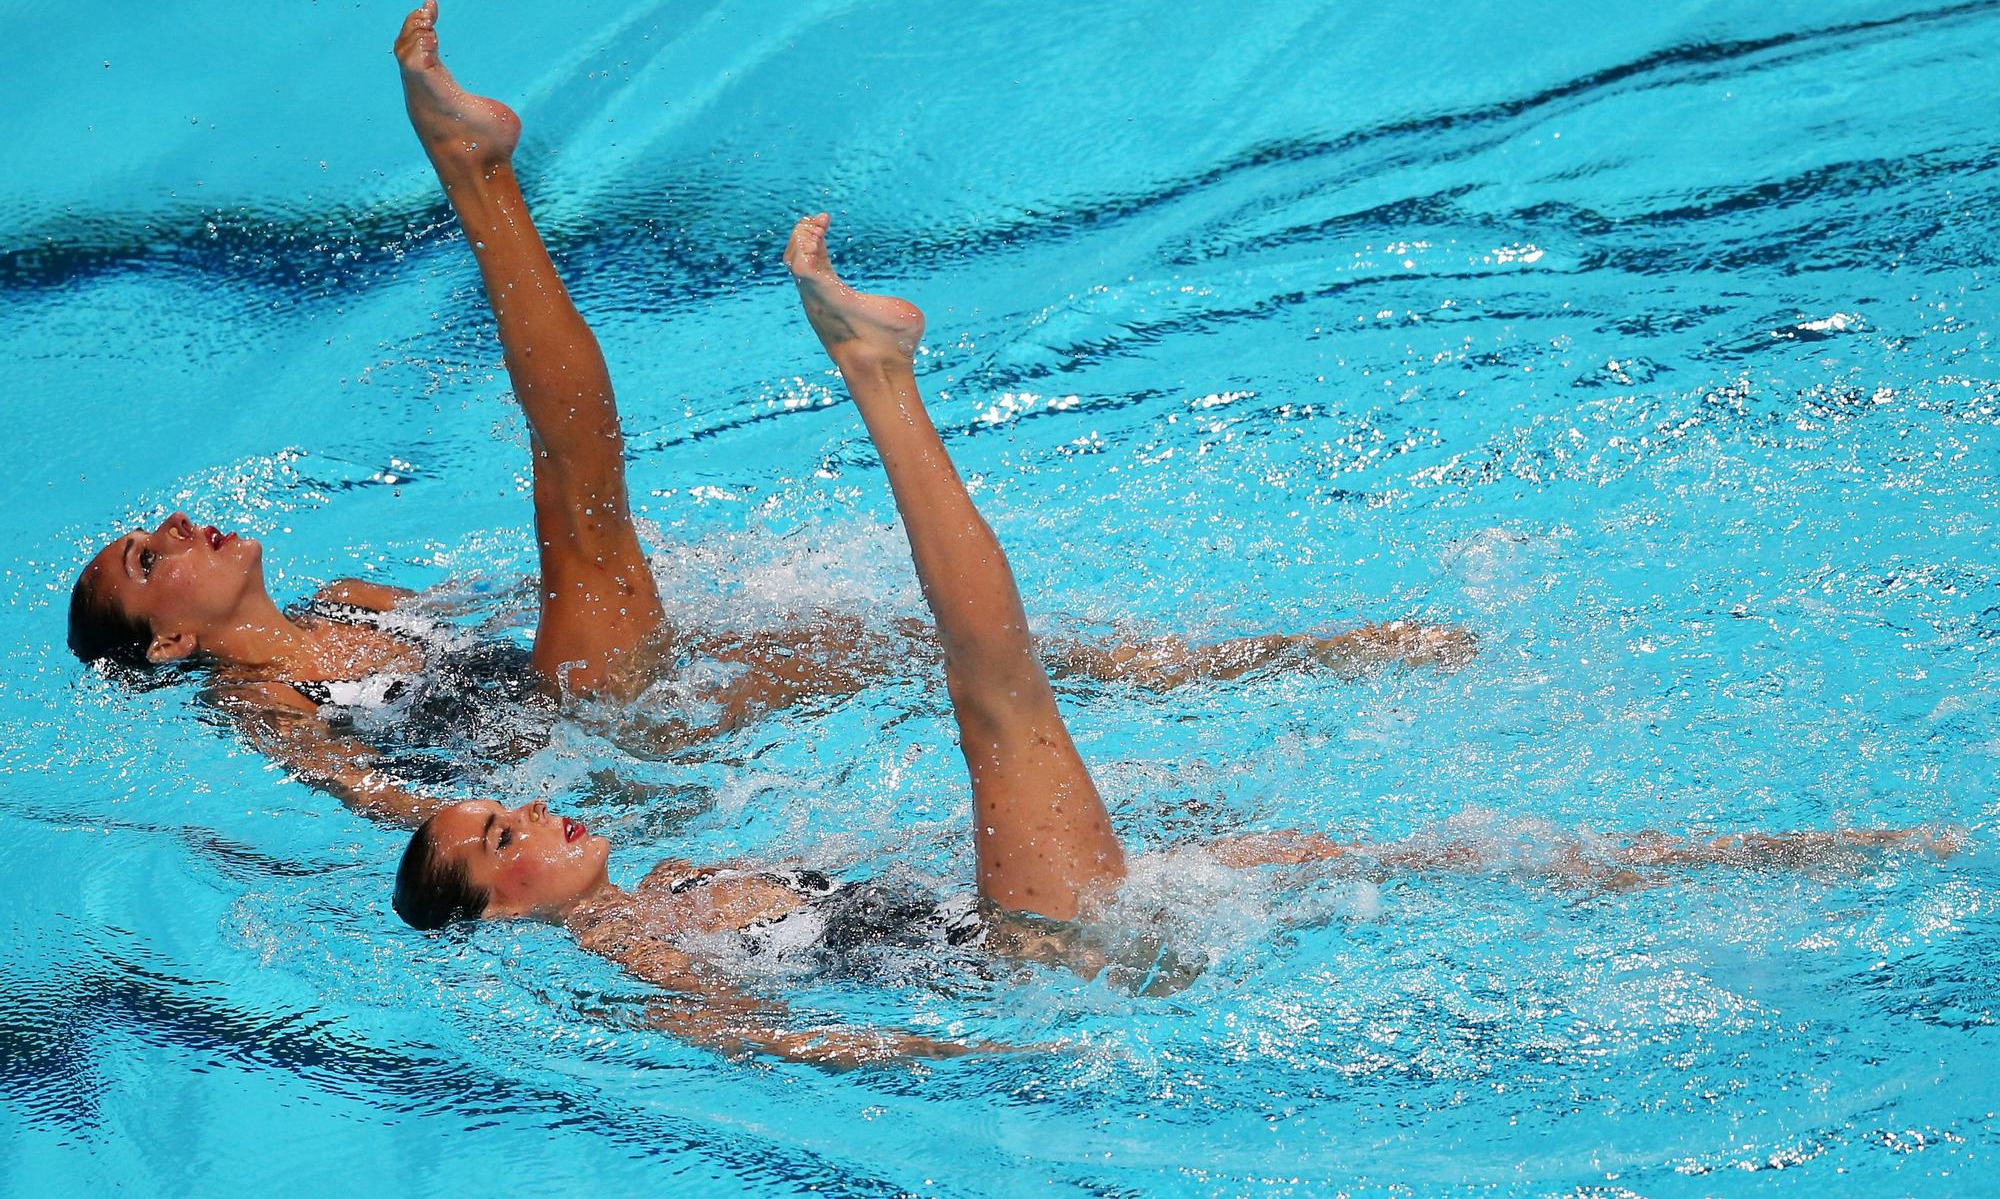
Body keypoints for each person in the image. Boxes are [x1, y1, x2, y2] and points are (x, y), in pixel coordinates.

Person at [391, 210, 1952, 1066]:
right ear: (495, 915)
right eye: (501, 838)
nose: (531, 815)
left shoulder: (663, 885)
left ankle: (1852, 853)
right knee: (994, 695)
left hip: (1024, 923)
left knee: (1458, 855)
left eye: (500, 805)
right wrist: (999, 1054)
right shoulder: (639, 966)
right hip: (1032, 959)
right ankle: (879, 381)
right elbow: (821, 1058)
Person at [62, 0, 1474, 829]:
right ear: (170, 636)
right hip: (581, 724)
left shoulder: (361, 590)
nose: (180, 524)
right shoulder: (261, 708)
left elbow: (479, 616)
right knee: (576, 474)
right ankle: (476, 175)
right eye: (150, 557)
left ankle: (1291, 660)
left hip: (628, 686)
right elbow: (419, 820)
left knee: (938, 657)